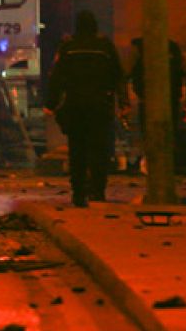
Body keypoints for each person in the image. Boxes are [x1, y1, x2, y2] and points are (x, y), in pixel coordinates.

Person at [44, 11, 126, 207]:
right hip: (100, 105)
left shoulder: (68, 48)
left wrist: (51, 103)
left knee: (77, 150)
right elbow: (118, 76)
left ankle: (79, 192)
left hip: (76, 105)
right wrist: (123, 103)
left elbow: (57, 77)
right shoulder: (105, 47)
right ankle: (98, 190)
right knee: (100, 149)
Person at [127, 37, 186, 172]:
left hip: (147, 100)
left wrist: (124, 101)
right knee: (168, 139)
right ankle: (165, 171)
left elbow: (126, 73)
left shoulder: (140, 48)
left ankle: (154, 173)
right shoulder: (173, 48)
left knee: (150, 139)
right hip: (171, 100)